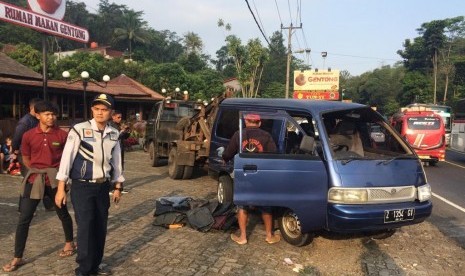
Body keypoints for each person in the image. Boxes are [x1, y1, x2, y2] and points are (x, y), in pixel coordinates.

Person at [55, 93, 124, 276]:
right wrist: (61, 189)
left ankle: (94, 266)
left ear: (111, 112)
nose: (100, 113)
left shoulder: (114, 133)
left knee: (100, 227)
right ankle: (83, 270)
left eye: (104, 109)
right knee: (85, 227)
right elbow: (66, 160)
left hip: (102, 187)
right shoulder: (79, 130)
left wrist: (118, 186)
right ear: (92, 109)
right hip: (82, 186)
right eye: (96, 109)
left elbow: (116, 163)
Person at [2, 101, 76, 273]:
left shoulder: (62, 136)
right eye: (47, 114)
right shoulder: (28, 135)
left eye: (53, 114)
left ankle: (69, 243)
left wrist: (60, 178)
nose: (51, 117)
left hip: (55, 180)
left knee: (62, 213)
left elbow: (68, 158)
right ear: (37, 115)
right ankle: (17, 257)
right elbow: (26, 158)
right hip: (34, 179)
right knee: (24, 218)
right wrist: (37, 170)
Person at [222, 113, 281, 245]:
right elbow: (274, 154)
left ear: (246, 122)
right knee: (266, 204)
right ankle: (269, 236)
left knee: (242, 204)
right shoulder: (266, 136)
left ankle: (243, 237)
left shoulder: (239, 134)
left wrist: (225, 159)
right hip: (262, 175)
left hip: (244, 174)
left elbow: (229, 152)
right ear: (259, 123)